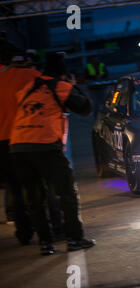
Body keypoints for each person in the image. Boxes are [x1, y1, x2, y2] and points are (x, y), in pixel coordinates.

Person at [9, 52, 96, 255]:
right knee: (66, 192)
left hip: (18, 146)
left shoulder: (28, 88)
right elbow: (85, 108)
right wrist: (73, 85)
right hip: (45, 145)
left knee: (35, 198)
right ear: (62, 74)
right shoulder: (61, 86)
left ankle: (45, 244)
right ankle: (75, 239)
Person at [0, 43, 42, 245]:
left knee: (15, 189)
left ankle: (23, 232)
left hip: (2, 142)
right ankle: (44, 230)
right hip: (27, 137)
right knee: (34, 185)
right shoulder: (29, 76)